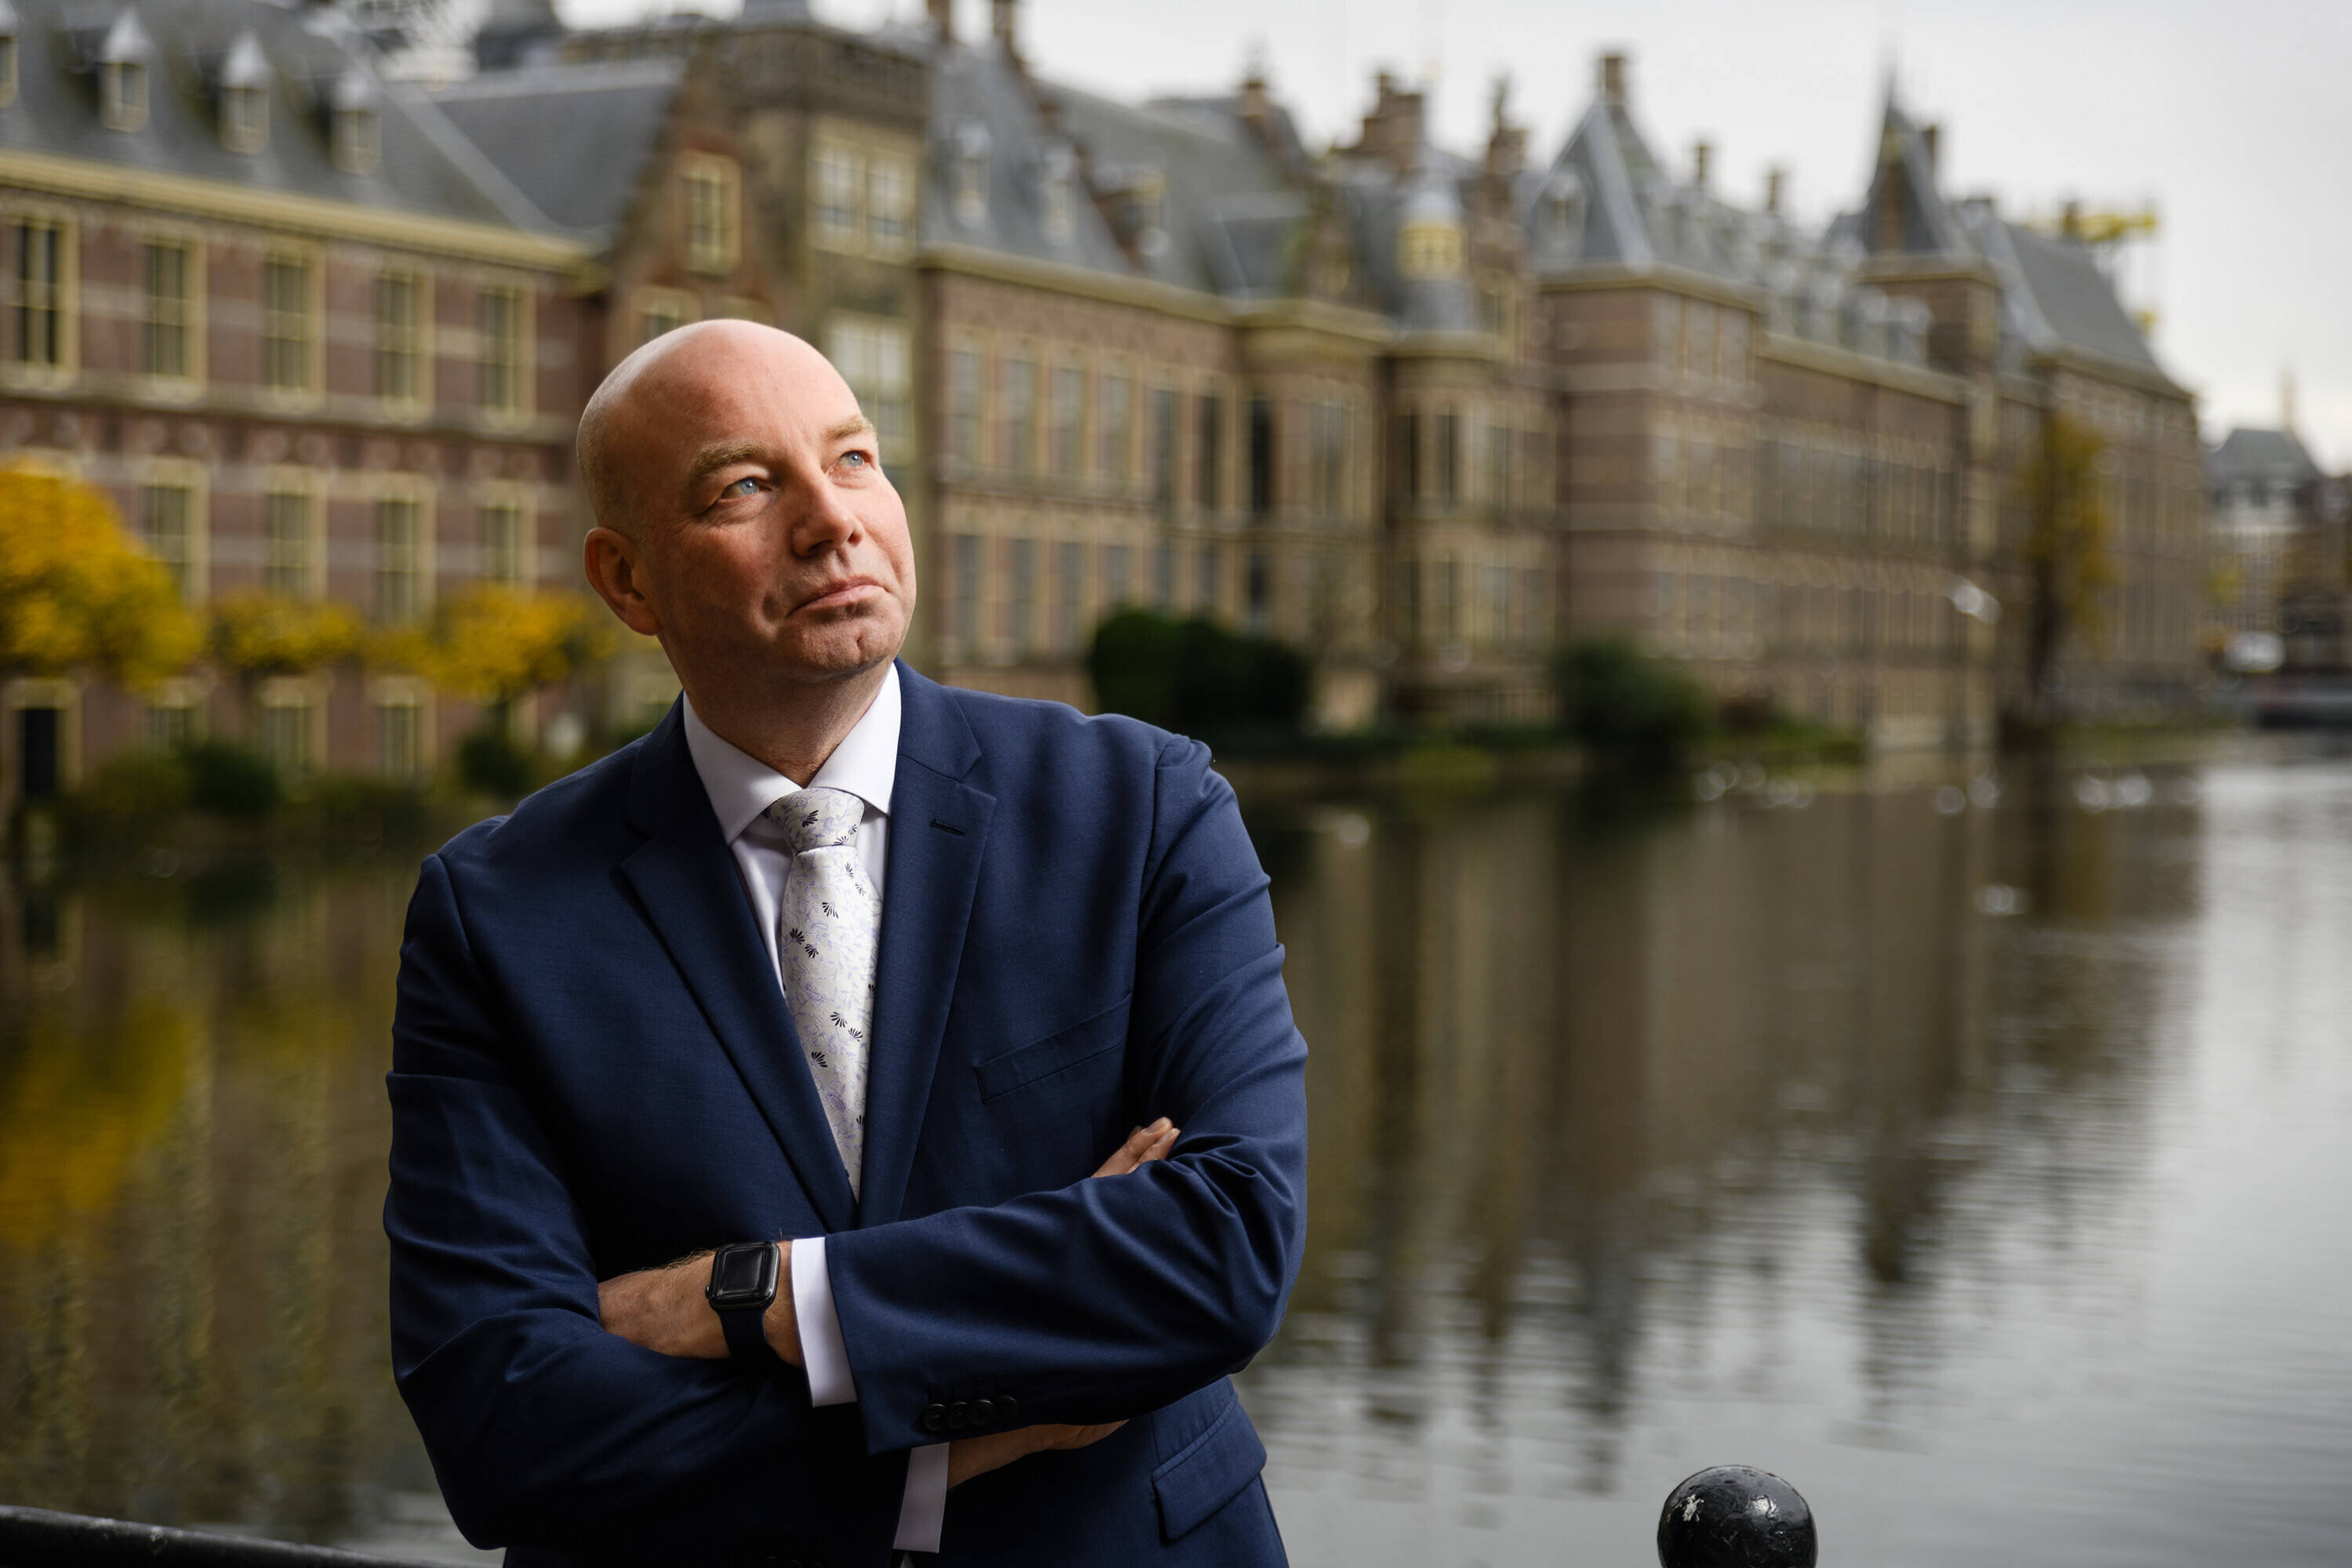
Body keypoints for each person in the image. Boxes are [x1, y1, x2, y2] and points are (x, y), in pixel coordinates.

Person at [384, 320, 1307, 1566]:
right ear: (628, 581)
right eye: (746, 487)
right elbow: (504, 1429)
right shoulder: (497, 913)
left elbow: (1225, 1250)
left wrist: (756, 1300)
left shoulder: (1143, 806)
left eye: (856, 459)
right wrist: (972, 1437)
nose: (833, 521)